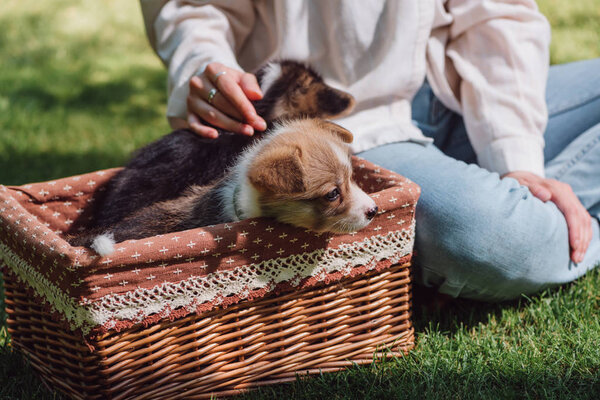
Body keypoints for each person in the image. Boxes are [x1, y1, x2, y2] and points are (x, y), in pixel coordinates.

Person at [140, 0, 600, 301]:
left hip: (452, 84)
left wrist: (517, 158)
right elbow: (195, 8)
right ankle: (546, 217)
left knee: (507, 214)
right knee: (493, 240)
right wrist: (204, 63)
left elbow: (496, 14)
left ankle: (527, 200)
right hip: (347, 132)